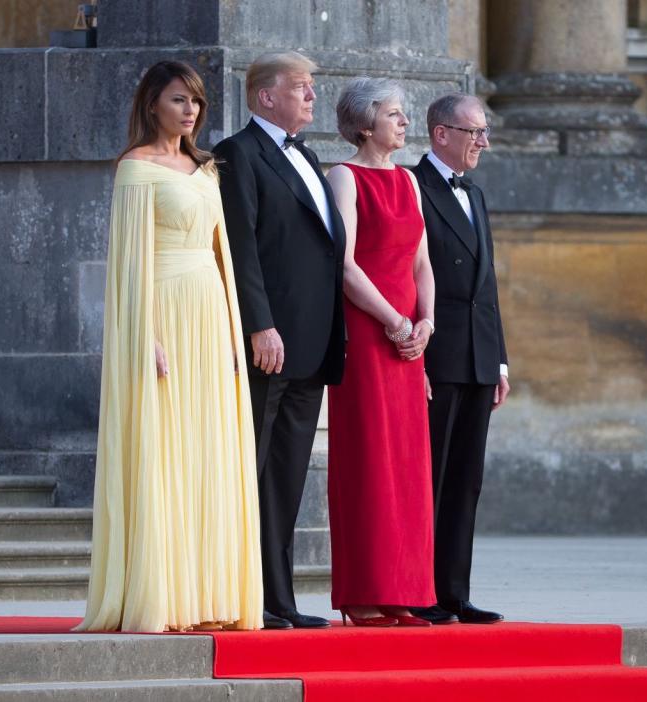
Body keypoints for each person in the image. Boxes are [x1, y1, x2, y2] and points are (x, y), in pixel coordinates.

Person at [76, 60, 263, 633]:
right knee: (166, 448)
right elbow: (129, 263)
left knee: (208, 450)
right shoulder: (135, 169)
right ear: (153, 102)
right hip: (163, 311)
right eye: (180, 100)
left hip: (208, 311)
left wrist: (236, 328)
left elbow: (223, 256)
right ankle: (161, 594)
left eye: (197, 102)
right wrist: (144, 334)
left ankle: (204, 594)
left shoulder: (206, 168)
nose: (191, 111)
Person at [213, 51, 346, 630]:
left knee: (287, 474)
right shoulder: (238, 154)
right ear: (266, 96)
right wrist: (259, 324)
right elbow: (241, 246)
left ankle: (280, 600)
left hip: (311, 344)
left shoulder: (310, 156)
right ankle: (242, 597)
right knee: (252, 468)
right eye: (301, 87)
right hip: (268, 340)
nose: (312, 96)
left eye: (312, 87)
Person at [325, 77, 437, 627]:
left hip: (408, 340)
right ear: (365, 123)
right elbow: (343, 264)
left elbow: (422, 263)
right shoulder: (343, 177)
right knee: (369, 461)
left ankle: (402, 591)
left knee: (409, 467)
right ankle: (362, 593)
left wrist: (426, 323)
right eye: (395, 114)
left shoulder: (411, 182)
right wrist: (393, 320)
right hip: (368, 334)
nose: (404, 123)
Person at [410, 93, 510, 625]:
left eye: (484, 132)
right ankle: (419, 589)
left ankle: (454, 591)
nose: (483, 142)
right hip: (435, 354)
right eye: (474, 132)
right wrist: (414, 355)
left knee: (466, 478)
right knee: (432, 475)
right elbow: (405, 274)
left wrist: (499, 362)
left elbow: (486, 283)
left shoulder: (474, 193)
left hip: (477, 356)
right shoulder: (414, 186)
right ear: (440, 133)